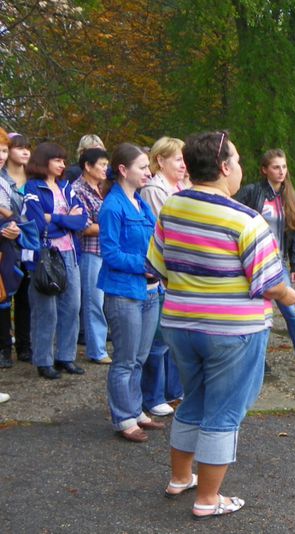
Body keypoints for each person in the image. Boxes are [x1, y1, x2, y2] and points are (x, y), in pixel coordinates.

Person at [147, 131, 295, 519]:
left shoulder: (172, 207)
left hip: (181, 325)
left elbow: (157, 266)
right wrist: (287, 296)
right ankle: (208, 499)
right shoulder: (245, 219)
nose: (240, 168)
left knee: (193, 401)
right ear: (224, 167)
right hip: (232, 333)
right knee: (224, 413)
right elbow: (268, 283)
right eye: (236, 160)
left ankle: (181, 478)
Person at [236, 149, 295, 374]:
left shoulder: (290, 196)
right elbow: (234, 219)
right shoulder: (252, 192)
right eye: (276, 167)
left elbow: (294, 232)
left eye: (284, 167)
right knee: (259, 315)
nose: (281, 171)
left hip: (278, 263)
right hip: (254, 263)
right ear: (265, 170)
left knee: (291, 312)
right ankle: (259, 362)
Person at [98, 143, 164, 442]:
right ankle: (123, 418)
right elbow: (110, 254)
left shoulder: (141, 202)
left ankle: (135, 409)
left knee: (140, 356)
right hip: (124, 291)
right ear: (123, 170)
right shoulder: (112, 206)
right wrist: (145, 266)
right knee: (124, 359)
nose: (148, 172)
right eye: (142, 167)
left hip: (149, 291)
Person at [24, 142, 88, 379]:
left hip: (70, 252)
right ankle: (43, 360)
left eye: (63, 160)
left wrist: (55, 218)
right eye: (58, 160)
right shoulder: (33, 188)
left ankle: (65, 356)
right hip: (46, 254)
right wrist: (64, 219)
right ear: (44, 161)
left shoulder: (66, 187)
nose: (63, 165)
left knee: (72, 306)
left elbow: (81, 220)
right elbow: (38, 223)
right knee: (46, 310)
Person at [139, 137, 187, 417]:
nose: (183, 165)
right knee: (158, 338)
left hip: (176, 272)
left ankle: (173, 390)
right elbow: (168, 231)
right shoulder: (154, 190)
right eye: (178, 159)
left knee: (173, 338)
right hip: (162, 271)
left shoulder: (180, 187)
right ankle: (153, 395)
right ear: (161, 161)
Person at [72, 148, 111, 364]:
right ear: (88, 166)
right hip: (89, 251)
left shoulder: (102, 188)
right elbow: (84, 227)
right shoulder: (78, 189)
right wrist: (112, 225)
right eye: (102, 164)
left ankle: (102, 344)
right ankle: (97, 349)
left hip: (105, 250)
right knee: (93, 300)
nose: (106, 169)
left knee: (104, 300)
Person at [0, 133, 32, 365]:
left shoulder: (33, 179)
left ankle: (24, 346)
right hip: (5, 244)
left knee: (25, 296)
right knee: (3, 296)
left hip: (24, 244)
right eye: (18, 148)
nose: (25, 152)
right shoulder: (3, 180)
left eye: (2, 150)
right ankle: (4, 347)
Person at [0, 128, 22, 369]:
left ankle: (6, 349)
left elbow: (15, 215)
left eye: (5, 150)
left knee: (3, 299)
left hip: (5, 247)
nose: (2, 155)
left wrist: (14, 227)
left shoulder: (6, 182)